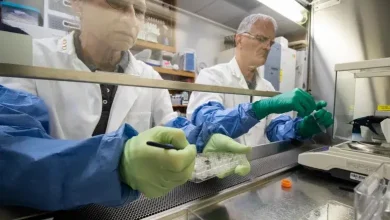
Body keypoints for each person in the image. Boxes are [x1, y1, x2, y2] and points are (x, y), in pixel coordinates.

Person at [0, 0, 251, 211]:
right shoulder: (32, 59)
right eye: (117, 3)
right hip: (48, 211)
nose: (130, 18)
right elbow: (12, 152)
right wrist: (117, 163)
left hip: (124, 211)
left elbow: (172, 126)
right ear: (78, 5)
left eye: (139, 10)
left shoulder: (149, 78)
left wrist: (200, 143)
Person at [187, 14, 334, 147]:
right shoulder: (212, 76)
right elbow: (206, 125)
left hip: (256, 167)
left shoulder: (267, 87)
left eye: (271, 42)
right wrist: (260, 108)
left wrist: (302, 128)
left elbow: (275, 129)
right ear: (239, 39)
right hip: (219, 169)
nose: (267, 47)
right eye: (261, 39)